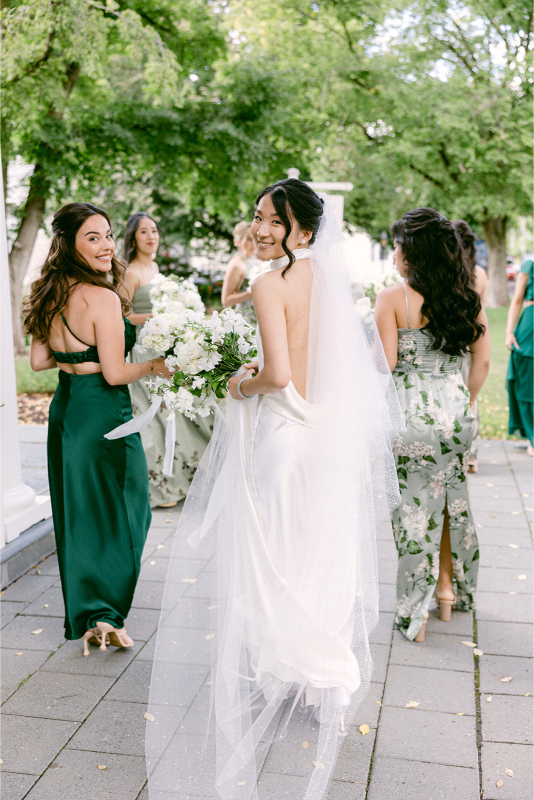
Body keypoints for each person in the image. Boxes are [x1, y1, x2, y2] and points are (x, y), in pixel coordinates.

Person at [145, 180, 403, 799]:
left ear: (303, 232)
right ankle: (315, 674)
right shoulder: (323, 280)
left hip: (286, 438)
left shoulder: (266, 284)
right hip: (327, 437)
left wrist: (238, 385)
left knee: (274, 556)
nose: (259, 229)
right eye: (257, 217)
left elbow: (278, 373)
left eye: (272, 222)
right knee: (317, 548)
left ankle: (290, 664)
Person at [23, 203, 171, 655]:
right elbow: (115, 373)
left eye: (108, 235)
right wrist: (156, 366)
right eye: (93, 237)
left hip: (67, 412)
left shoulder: (47, 292)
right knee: (132, 509)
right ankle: (107, 613)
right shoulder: (101, 297)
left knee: (80, 514)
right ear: (69, 243)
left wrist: (82, 357)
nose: (107, 244)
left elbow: (41, 361)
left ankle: (90, 618)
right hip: (106, 415)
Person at [375, 208, 490, 643]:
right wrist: (466, 403)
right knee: (451, 503)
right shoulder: (465, 296)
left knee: (411, 515)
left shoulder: (393, 298)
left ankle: (414, 612)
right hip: (456, 414)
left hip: (408, 418)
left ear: (411, 252)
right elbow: (482, 361)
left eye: (398, 245)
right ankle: (449, 591)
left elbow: (386, 363)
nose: (394, 253)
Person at [122, 212, 212, 507]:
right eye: (144, 232)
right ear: (133, 238)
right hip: (144, 351)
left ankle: (182, 477)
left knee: (178, 414)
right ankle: (160, 488)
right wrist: (154, 316)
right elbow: (120, 314)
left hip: (165, 349)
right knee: (154, 420)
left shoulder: (158, 268)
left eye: (154, 230)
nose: (151, 236)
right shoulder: (129, 272)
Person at [453, 220, 488, 472]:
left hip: (453, 337)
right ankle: (472, 453)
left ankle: (459, 448)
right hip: (474, 336)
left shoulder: (450, 271)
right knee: (471, 397)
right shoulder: (479, 274)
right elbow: (481, 310)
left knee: (455, 394)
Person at [505, 256, 534, 455]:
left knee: (527, 381)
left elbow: (517, 299)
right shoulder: (529, 264)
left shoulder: (529, 264)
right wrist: (508, 332)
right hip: (530, 328)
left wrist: (509, 332)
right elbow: (516, 300)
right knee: (527, 380)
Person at [221, 220, 260, 323]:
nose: (254, 243)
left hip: (260, 316)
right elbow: (226, 301)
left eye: (256, 238)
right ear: (239, 242)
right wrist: (252, 292)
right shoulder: (236, 265)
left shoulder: (259, 263)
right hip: (245, 319)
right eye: (249, 239)